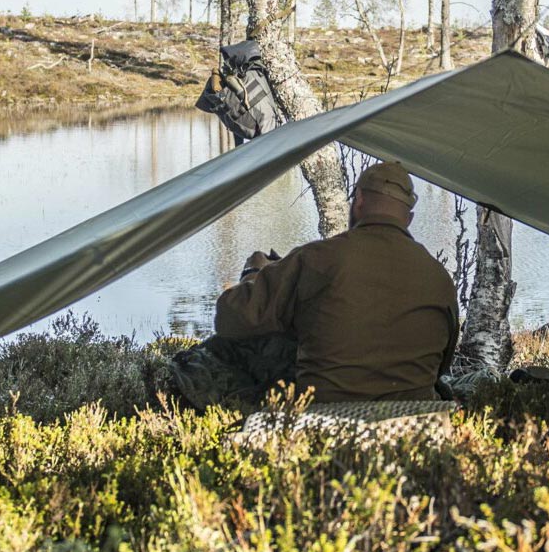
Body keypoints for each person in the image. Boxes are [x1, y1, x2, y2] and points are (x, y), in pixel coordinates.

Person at [170, 160, 459, 409]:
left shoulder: (317, 259)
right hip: (415, 420)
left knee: (213, 353)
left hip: (326, 415)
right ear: (408, 218)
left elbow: (229, 318)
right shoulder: (439, 278)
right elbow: (442, 366)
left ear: (357, 201)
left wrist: (254, 275)